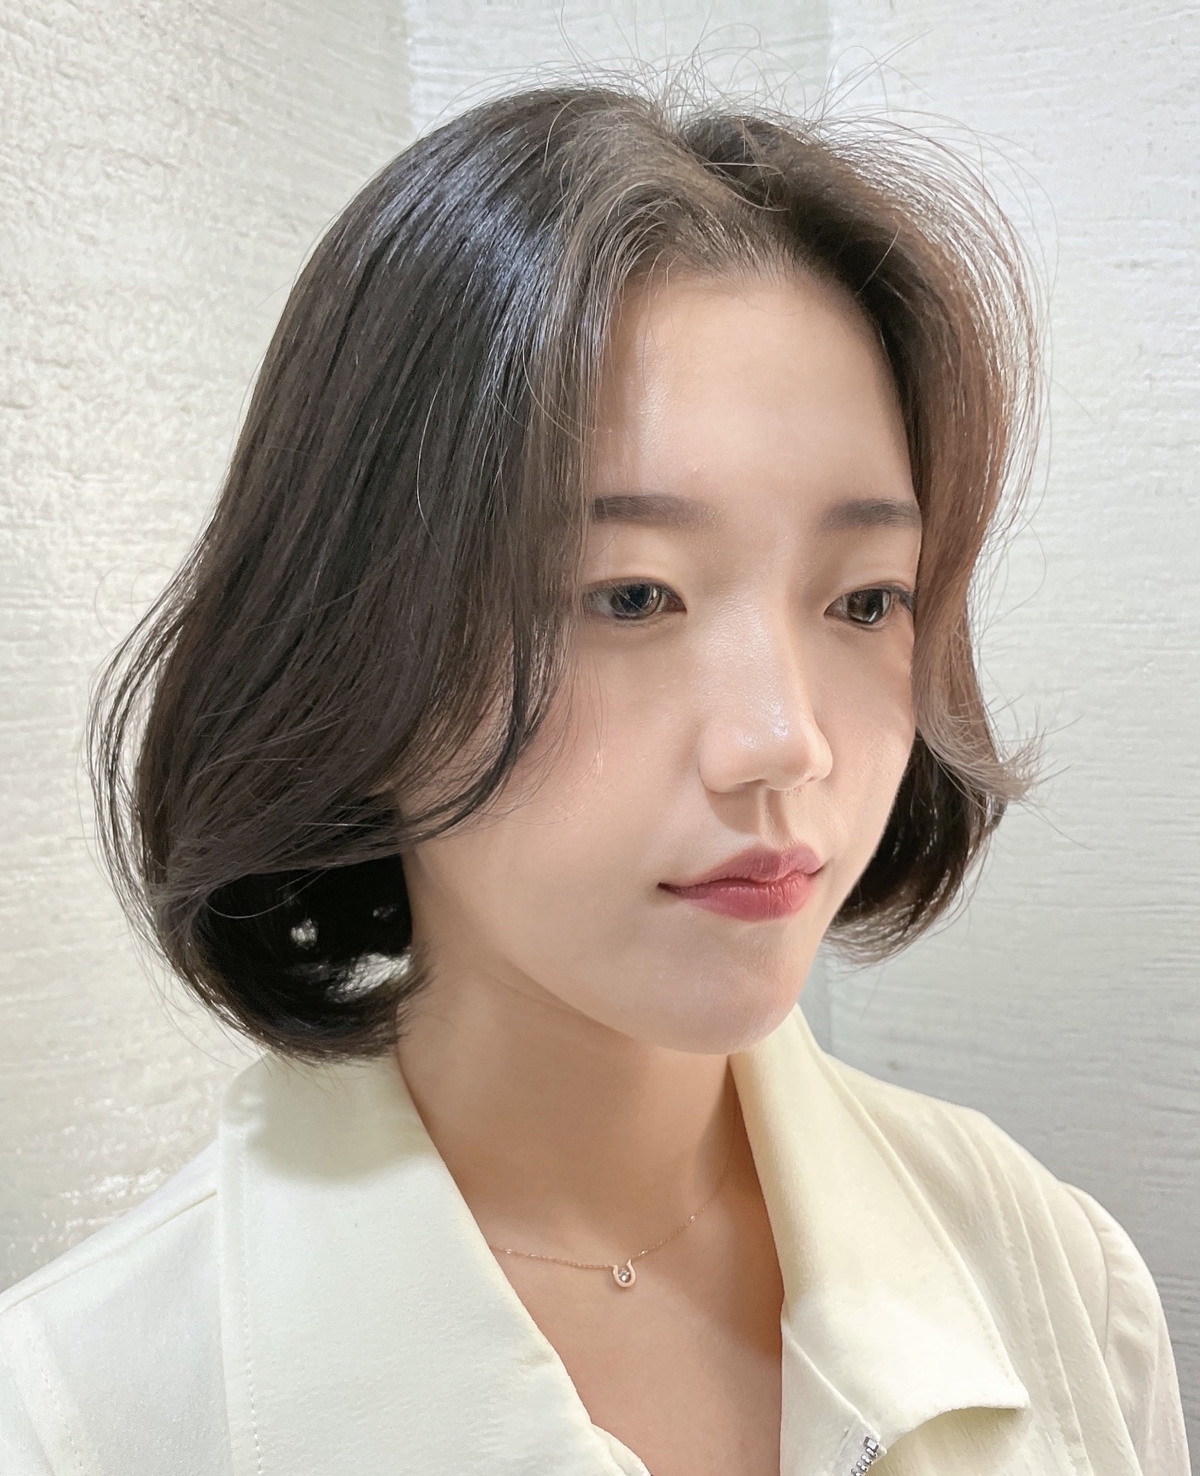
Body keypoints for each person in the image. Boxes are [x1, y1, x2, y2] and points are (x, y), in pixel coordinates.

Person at [0, 84, 1188, 1476]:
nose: (785, 740)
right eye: (631, 596)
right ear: (360, 637)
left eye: (865, 599)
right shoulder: (83, 1419)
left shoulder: (1061, 1283)